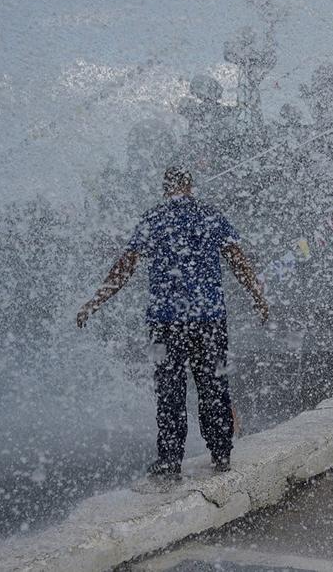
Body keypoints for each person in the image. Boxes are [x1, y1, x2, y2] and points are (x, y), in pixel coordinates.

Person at [77, 167, 269, 479]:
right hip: (210, 320)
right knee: (214, 385)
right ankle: (221, 453)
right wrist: (258, 296)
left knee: (169, 391)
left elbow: (125, 266)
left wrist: (94, 302)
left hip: (164, 324)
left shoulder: (153, 218)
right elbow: (237, 259)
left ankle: (169, 460)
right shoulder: (210, 215)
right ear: (190, 186)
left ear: (166, 187)